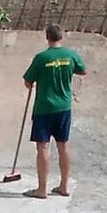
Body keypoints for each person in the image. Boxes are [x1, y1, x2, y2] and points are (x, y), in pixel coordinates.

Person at [21, 24, 86, 199]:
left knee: (43, 146)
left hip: (44, 108)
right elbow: (83, 70)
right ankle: (64, 186)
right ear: (61, 37)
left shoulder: (41, 58)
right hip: (64, 107)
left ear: (47, 37)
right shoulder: (71, 55)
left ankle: (41, 189)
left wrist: (36, 81)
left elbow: (28, 81)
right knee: (63, 144)